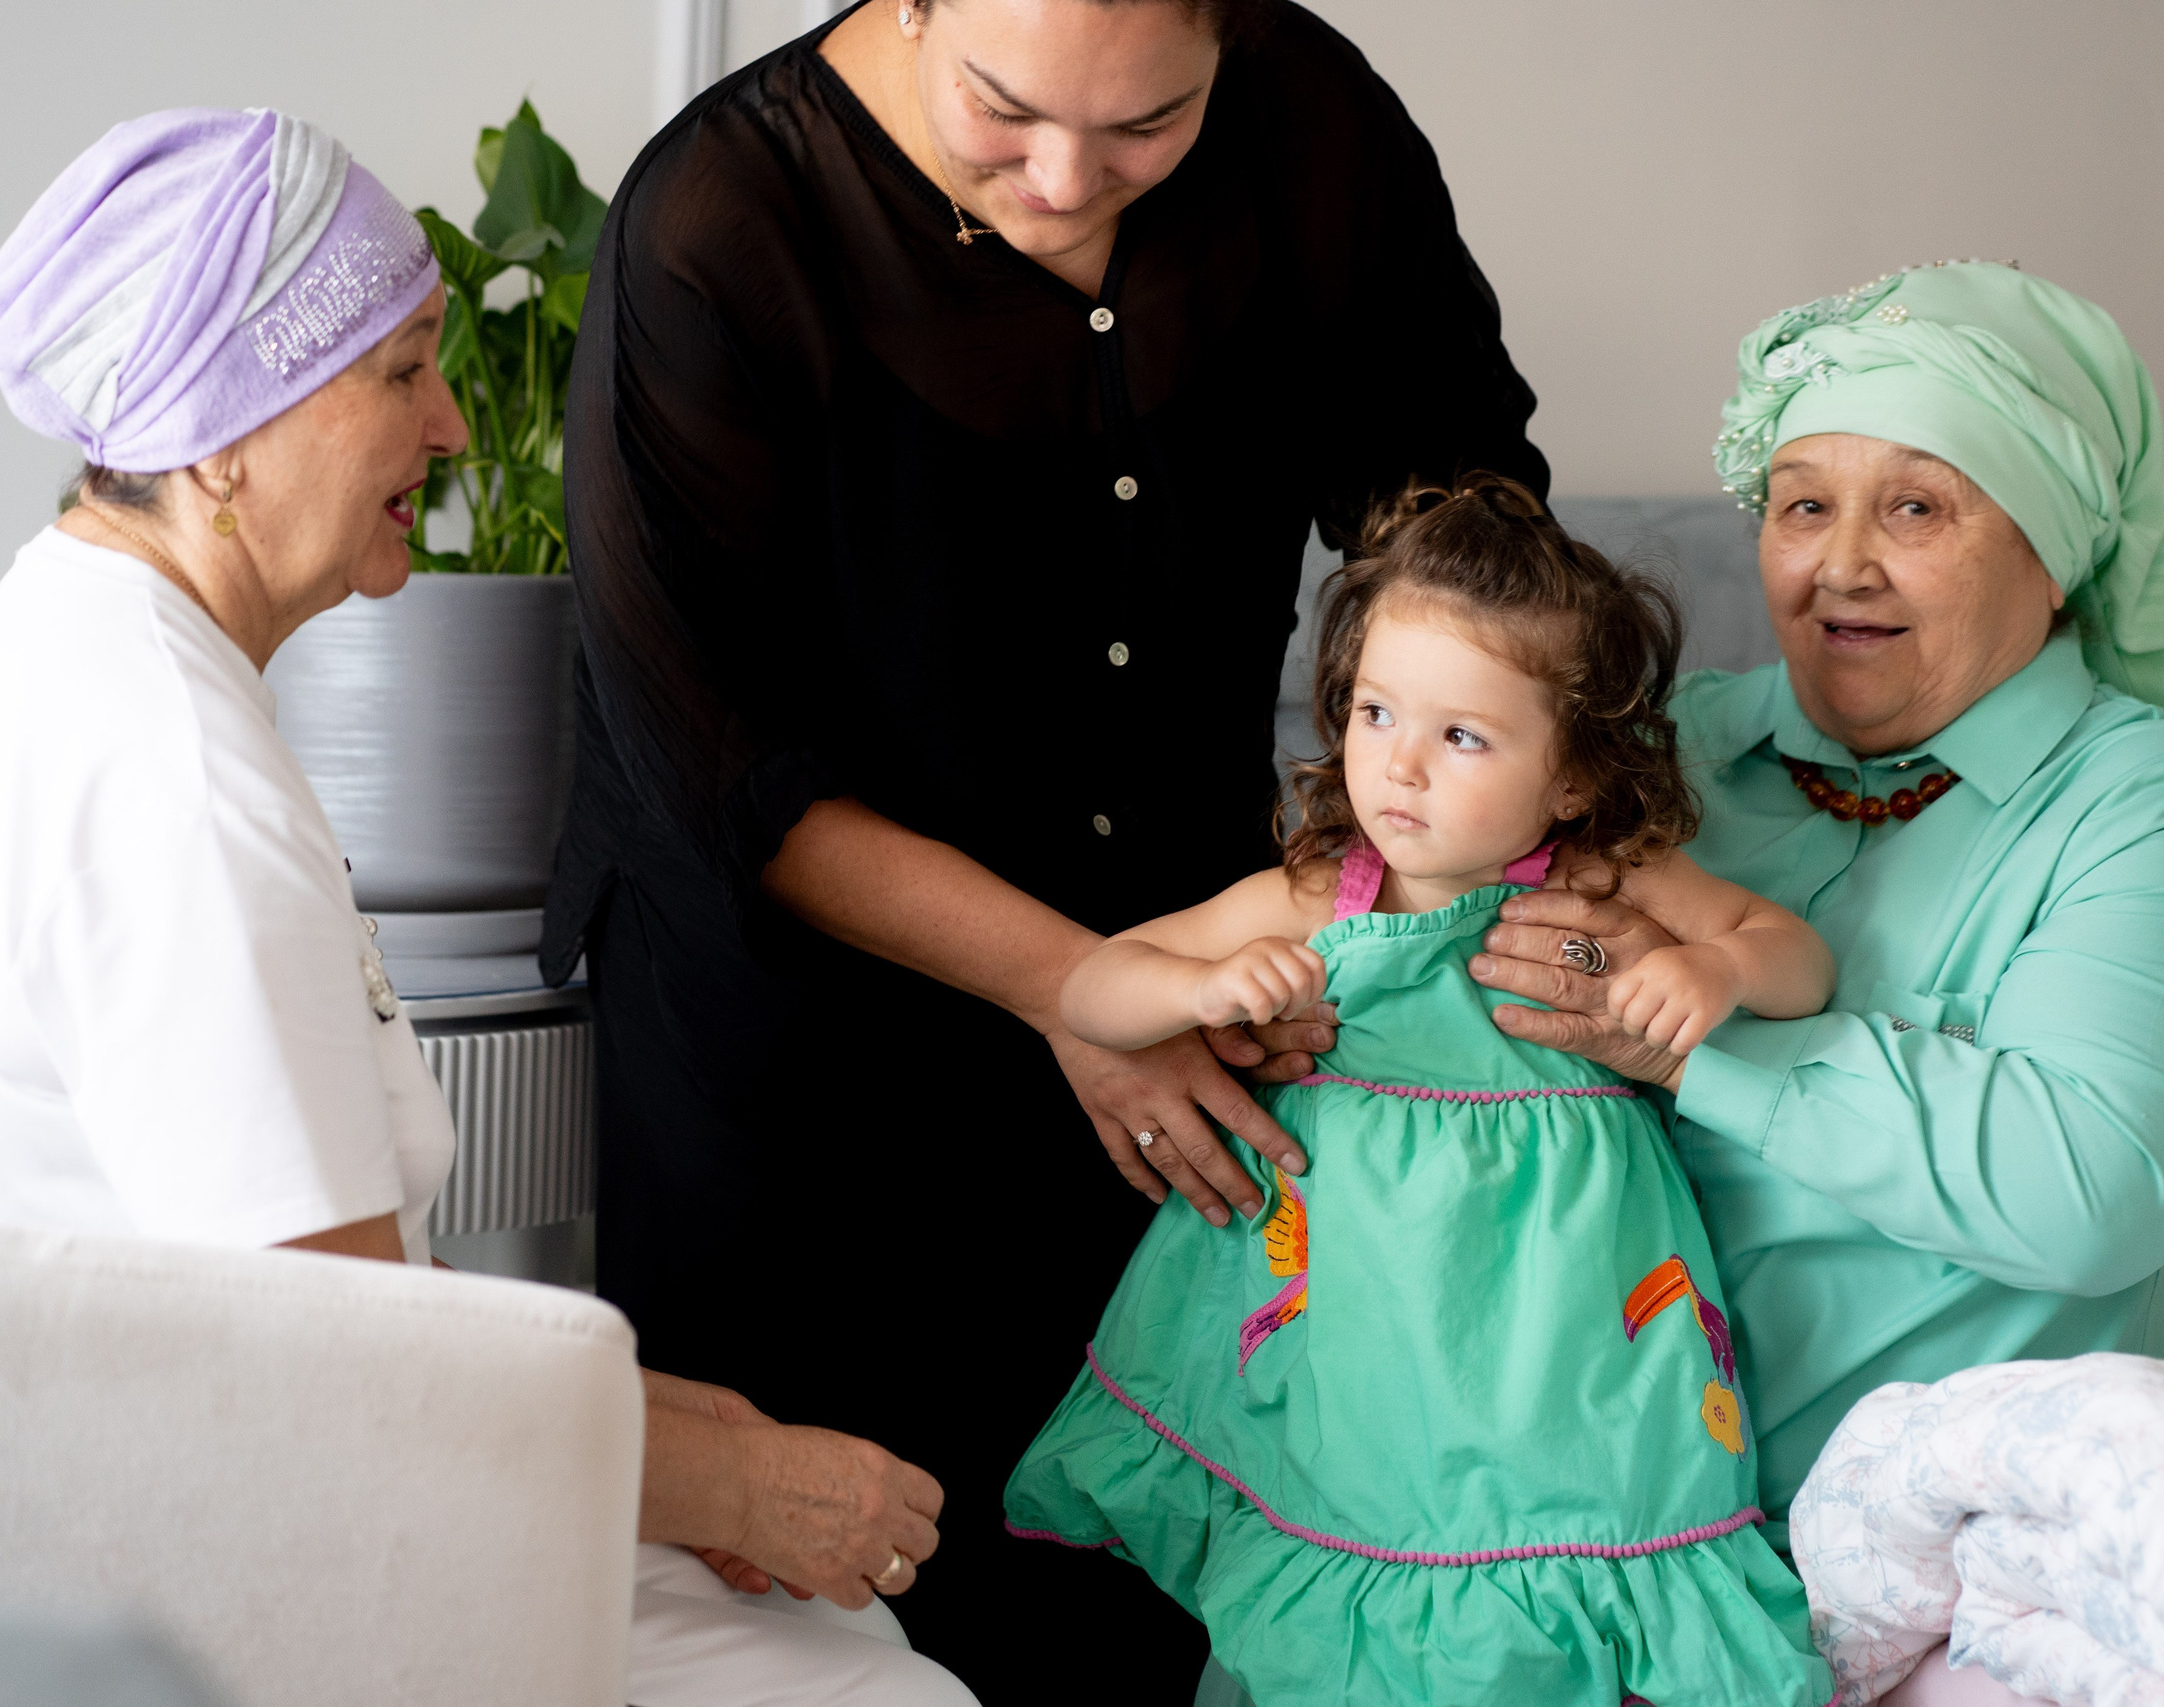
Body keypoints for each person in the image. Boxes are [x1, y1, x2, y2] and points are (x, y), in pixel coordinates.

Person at [0, 108, 969, 1707]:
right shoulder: (163, 778)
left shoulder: (86, 660)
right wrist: (733, 1489)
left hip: (156, 1487)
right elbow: (336, 1376)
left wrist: (700, 1431)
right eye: (399, 369)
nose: (448, 427)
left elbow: (320, 1306)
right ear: (225, 431)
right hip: (160, 1566)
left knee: (836, 1633)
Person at [550, 0, 1546, 1687]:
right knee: (833, 1618)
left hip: (1188, 1006)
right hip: (807, 1069)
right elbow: (719, 774)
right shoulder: (719, 224)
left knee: (1138, 1598)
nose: (1071, 181)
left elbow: (1460, 530)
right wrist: (1081, 986)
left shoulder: (1311, 124)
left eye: (1153, 127)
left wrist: (1381, 879)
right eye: (1001, 110)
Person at [1456, 261, 2164, 1554]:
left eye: (1915, 507)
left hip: (1957, 1545)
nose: (1842, 566)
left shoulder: (2154, 808)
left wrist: (1681, 1034)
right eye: (1802, 506)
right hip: (1567, 1505)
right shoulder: (1645, 759)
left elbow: (2091, 1186)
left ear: (2053, 552)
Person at [1001, 476, 1837, 1706]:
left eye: (1461, 737)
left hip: (1559, 1319)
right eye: (1377, 712)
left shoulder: (1603, 881)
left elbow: (1799, 960)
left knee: (1558, 1552)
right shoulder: (1313, 893)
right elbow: (1094, 988)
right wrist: (1204, 985)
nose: (1398, 766)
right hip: (1357, 1320)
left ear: (1567, 777)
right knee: (1345, 1553)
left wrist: (1712, 965)